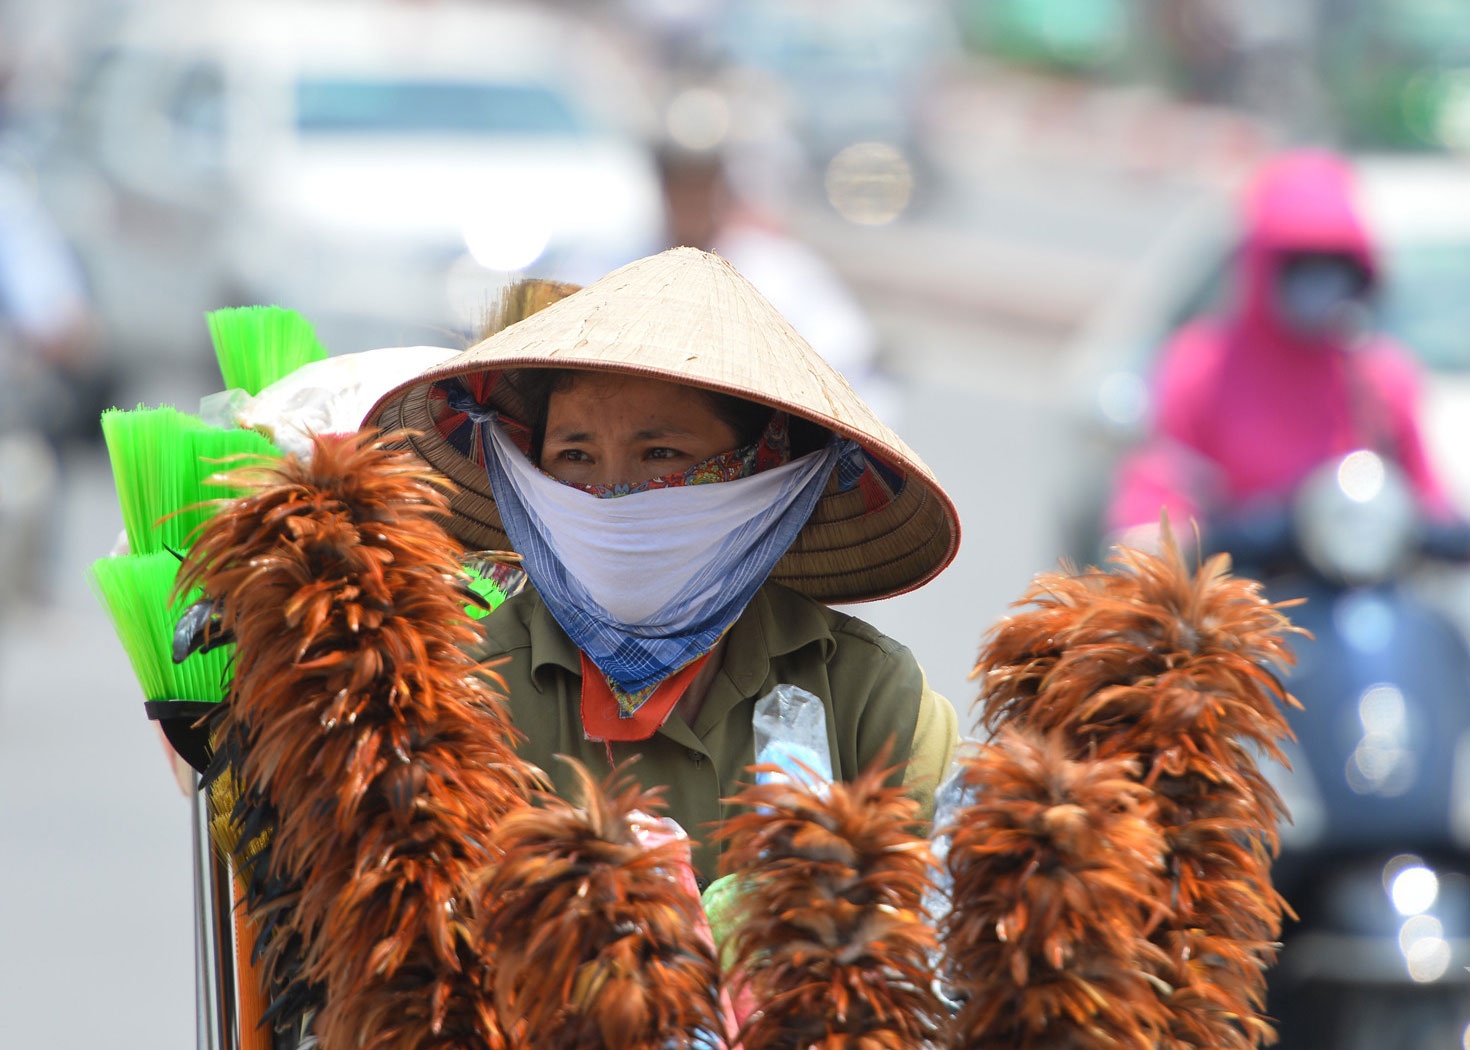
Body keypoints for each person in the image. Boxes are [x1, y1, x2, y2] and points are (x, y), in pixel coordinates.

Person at [366, 247, 961, 882]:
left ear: (763, 470)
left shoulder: (872, 700)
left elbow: (928, 946)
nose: (612, 494)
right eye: (574, 456)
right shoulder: (459, 693)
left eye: (660, 453)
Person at [1106, 148, 1463, 560]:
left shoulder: (1380, 378)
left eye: (1335, 266)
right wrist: (1166, 537)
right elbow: (1158, 489)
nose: (1320, 286)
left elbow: (1428, 501)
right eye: (1302, 266)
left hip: (1357, 594)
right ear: (1264, 266)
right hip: (1240, 599)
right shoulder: (1201, 367)